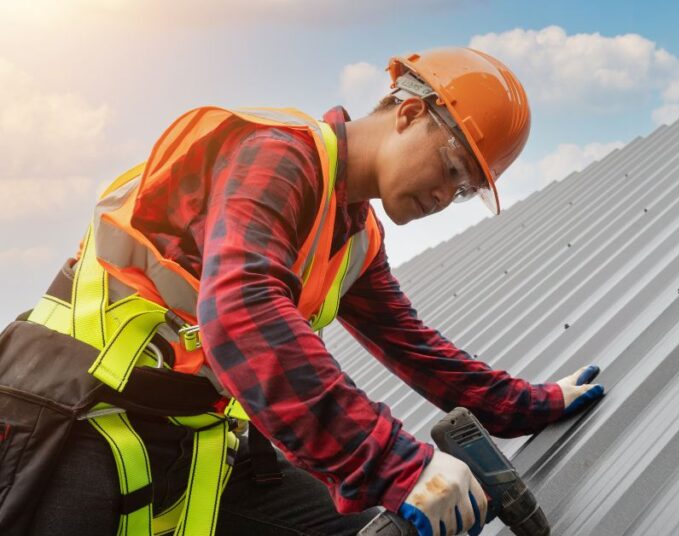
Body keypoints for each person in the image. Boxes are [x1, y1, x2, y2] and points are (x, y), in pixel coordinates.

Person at [0, 47, 605, 536]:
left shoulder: (355, 234)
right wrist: (396, 465)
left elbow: (413, 346)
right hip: (70, 415)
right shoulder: (279, 154)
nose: (446, 197)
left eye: (466, 189)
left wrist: (534, 403)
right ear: (409, 112)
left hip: (185, 432)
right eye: (451, 168)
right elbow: (241, 309)